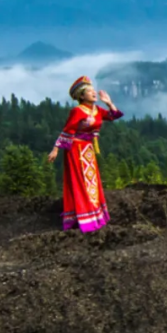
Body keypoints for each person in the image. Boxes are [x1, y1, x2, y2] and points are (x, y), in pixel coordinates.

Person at [47, 76, 124, 232]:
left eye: (93, 90)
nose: (94, 93)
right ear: (82, 96)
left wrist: (108, 103)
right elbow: (67, 130)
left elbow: (114, 116)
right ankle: (84, 216)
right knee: (81, 181)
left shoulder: (96, 110)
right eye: (89, 91)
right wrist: (56, 149)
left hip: (88, 149)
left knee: (91, 181)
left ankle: (93, 214)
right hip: (75, 149)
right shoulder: (77, 111)